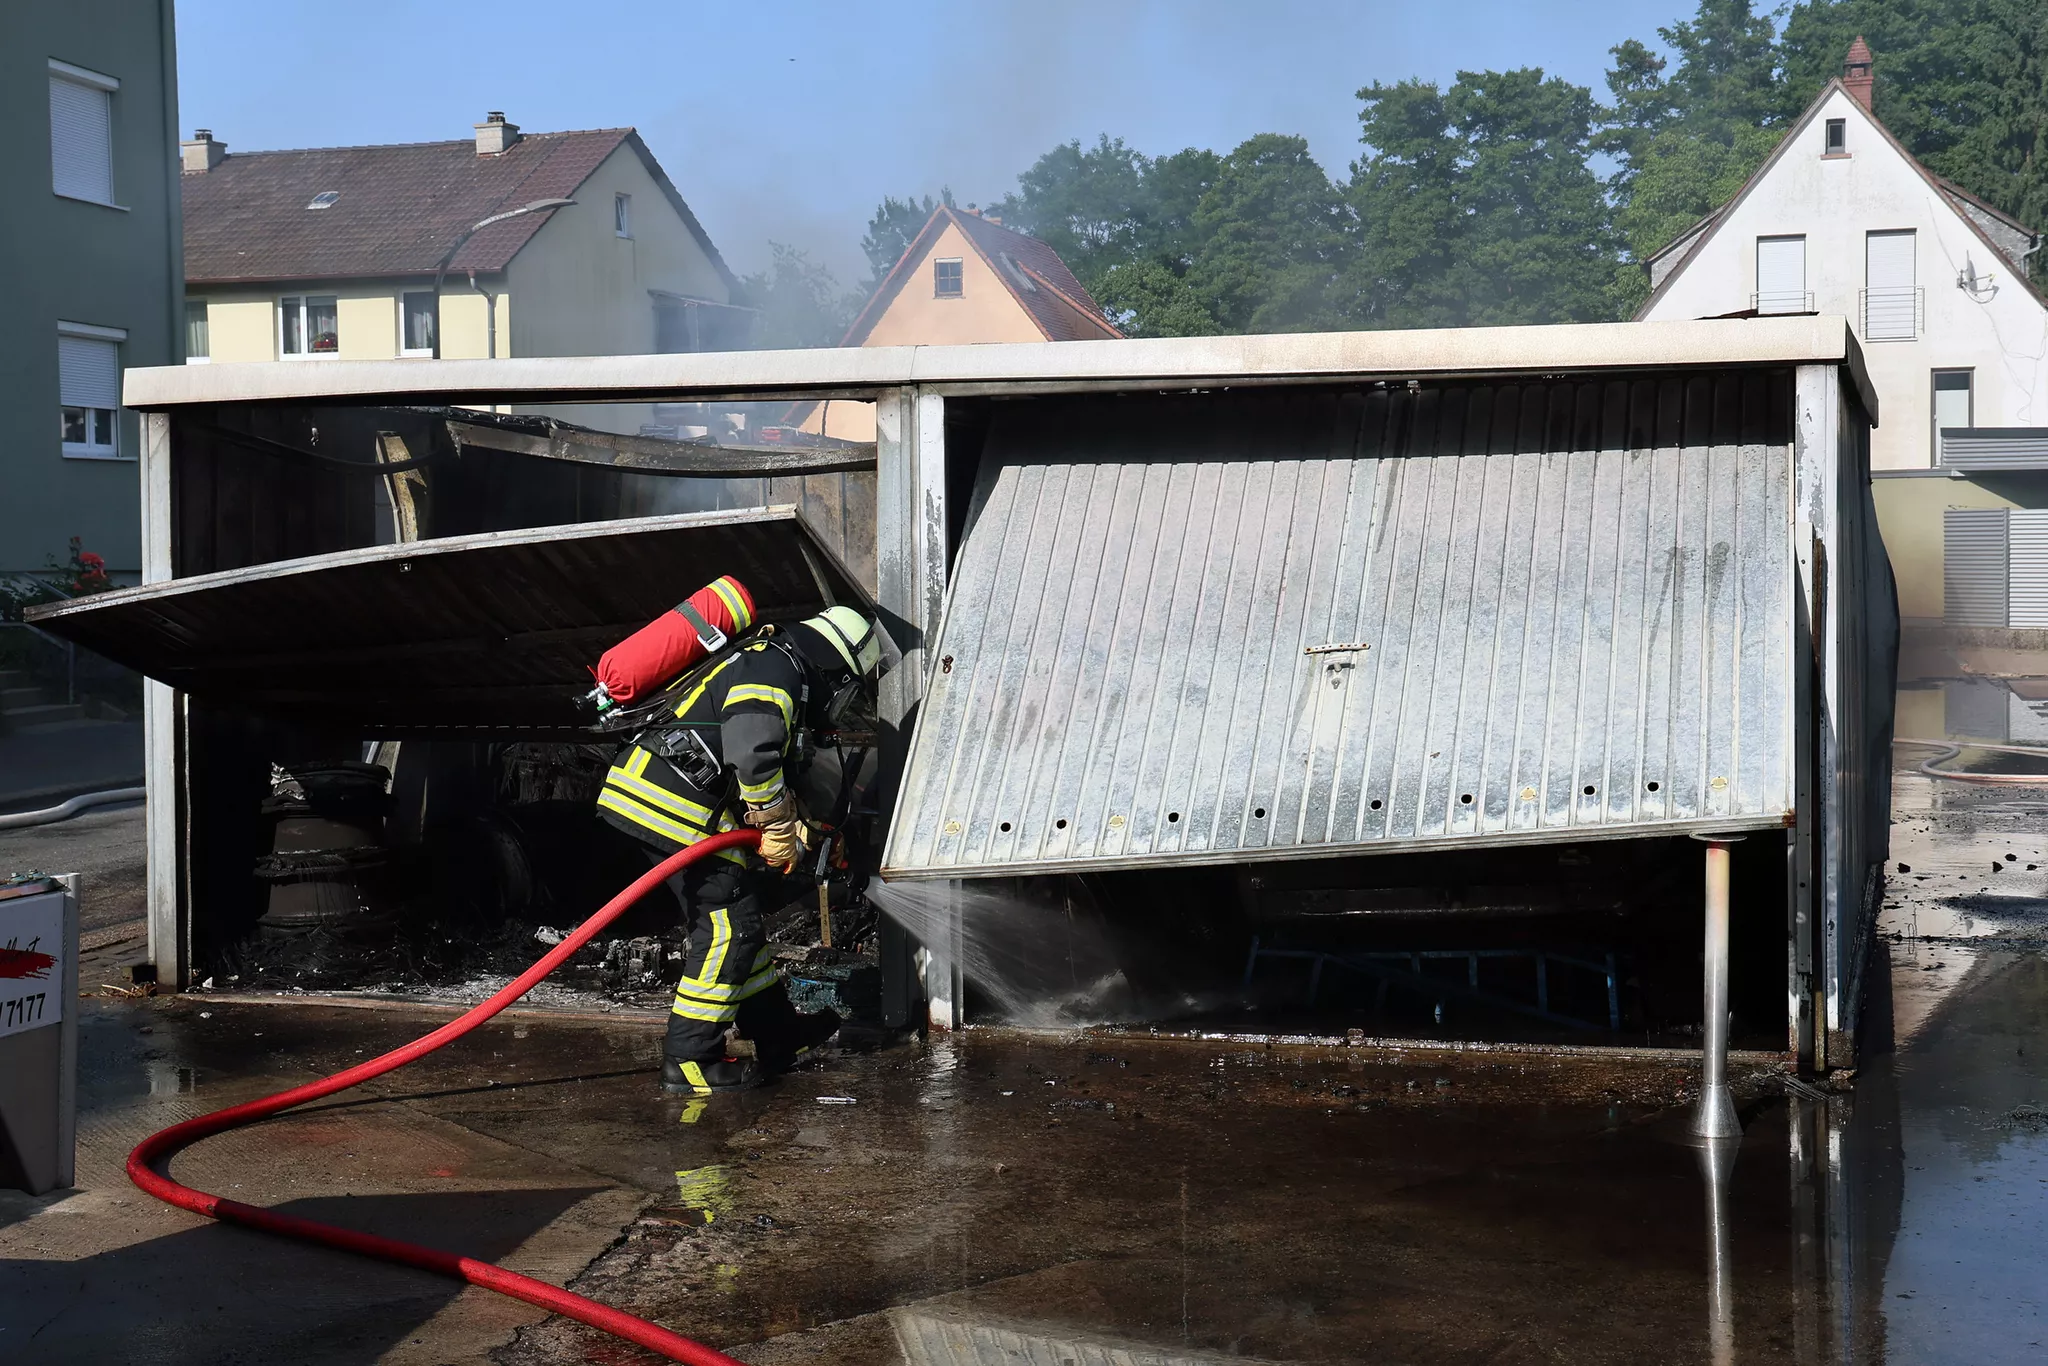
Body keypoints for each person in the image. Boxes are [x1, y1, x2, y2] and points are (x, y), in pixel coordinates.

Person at [596, 603, 885, 1095]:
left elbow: (779, 766)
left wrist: (806, 828)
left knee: (741, 920)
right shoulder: (778, 667)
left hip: (671, 802)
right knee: (729, 927)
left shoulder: (774, 662)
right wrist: (775, 824)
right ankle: (690, 1060)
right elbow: (754, 752)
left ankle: (780, 1034)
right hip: (669, 803)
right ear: (837, 669)